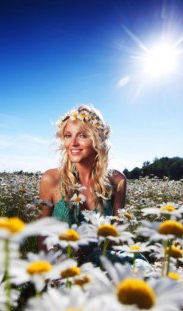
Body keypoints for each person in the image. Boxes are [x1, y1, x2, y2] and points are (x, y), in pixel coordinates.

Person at [38, 105, 127, 260]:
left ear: (97, 139)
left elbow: (115, 240)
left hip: (104, 266)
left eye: (82, 136)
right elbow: (42, 237)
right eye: (67, 135)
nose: (73, 143)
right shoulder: (51, 179)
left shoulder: (117, 181)